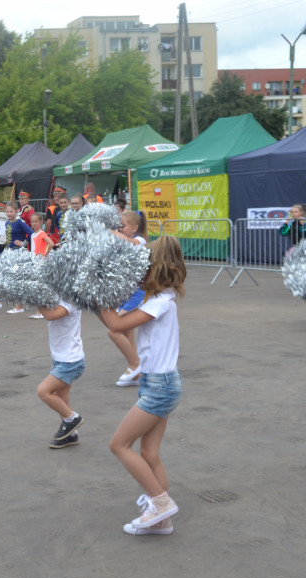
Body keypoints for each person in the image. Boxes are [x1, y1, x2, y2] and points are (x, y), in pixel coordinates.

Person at [97, 236, 187, 535]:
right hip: (160, 382)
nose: (137, 274)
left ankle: (160, 503)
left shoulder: (161, 302)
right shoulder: (158, 300)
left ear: (154, 270)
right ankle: (161, 518)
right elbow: (114, 319)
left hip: (160, 386)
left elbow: (116, 325)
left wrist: (93, 291)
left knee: (119, 445)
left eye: (141, 268)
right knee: (149, 453)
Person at [36, 299, 84, 448]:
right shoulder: (58, 296)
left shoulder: (71, 298)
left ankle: (72, 419)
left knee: (44, 391)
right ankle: (71, 435)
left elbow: (52, 315)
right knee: (62, 400)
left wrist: (35, 300)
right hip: (60, 358)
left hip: (71, 361)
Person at [109, 211, 149, 386]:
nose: (119, 229)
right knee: (127, 333)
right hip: (125, 294)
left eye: (122, 226)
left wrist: (112, 232)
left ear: (134, 228)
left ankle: (136, 364)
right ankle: (136, 374)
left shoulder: (140, 241)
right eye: (118, 226)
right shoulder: (121, 243)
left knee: (114, 330)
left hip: (137, 295)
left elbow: (132, 243)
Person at [4, 201, 33, 314]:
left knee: (18, 279)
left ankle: (20, 306)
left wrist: (24, 243)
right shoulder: (7, 223)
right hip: (10, 252)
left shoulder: (20, 222)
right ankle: (19, 305)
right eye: (7, 211)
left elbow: (31, 233)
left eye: (11, 211)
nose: (9, 213)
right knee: (13, 279)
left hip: (18, 252)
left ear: (16, 211)